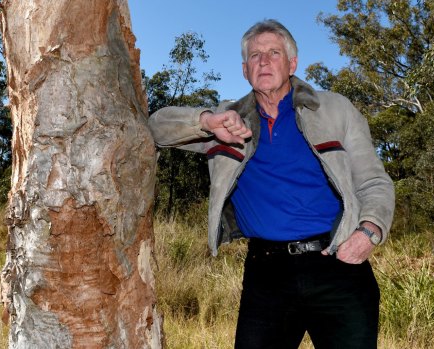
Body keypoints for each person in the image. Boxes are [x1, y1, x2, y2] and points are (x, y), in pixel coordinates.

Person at [148, 19, 395, 348]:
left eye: (273, 53)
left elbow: (374, 180)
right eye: (254, 55)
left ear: (292, 64)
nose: (263, 61)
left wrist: (369, 231)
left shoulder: (335, 110)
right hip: (267, 274)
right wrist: (207, 121)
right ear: (244, 69)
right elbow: (157, 127)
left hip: (337, 266)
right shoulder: (228, 121)